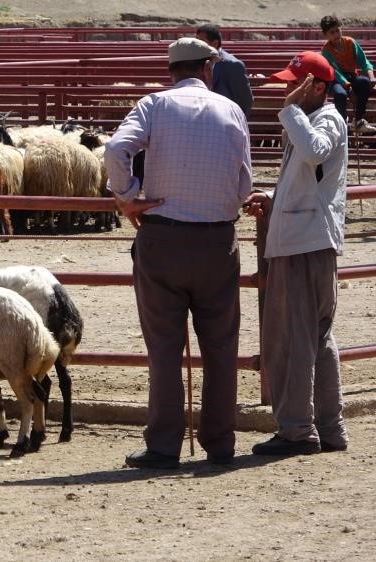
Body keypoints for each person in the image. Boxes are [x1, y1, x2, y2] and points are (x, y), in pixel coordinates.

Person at [104, 37, 253, 470]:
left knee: (165, 347)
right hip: (217, 242)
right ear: (207, 68)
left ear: (172, 70)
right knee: (221, 346)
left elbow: (116, 149)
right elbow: (244, 185)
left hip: (163, 238)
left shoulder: (153, 105)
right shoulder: (232, 110)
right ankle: (220, 444)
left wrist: (127, 195)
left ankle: (164, 445)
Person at [243, 52, 349, 456]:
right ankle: (327, 427)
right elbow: (309, 177)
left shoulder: (321, 119)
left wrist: (290, 111)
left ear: (316, 87)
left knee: (294, 337)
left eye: (295, 84)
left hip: (304, 243)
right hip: (309, 239)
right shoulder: (317, 119)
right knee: (316, 337)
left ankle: (297, 429)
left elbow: (315, 152)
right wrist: (273, 197)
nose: (287, 91)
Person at [319, 15, 376, 134]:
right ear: (326, 35)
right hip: (336, 80)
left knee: (364, 82)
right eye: (332, 32)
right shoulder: (326, 50)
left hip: (351, 76)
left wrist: (371, 77)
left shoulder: (350, 42)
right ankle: (342, 124)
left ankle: (358, 121)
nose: (336, 34)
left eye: (337, 30)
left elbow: (363, 61)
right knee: (340, 94)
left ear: (341, 29)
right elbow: (335, 72)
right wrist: (349, 88)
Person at [195, 24, 254, 118]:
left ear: (214, 43)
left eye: (201, 42)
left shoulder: (232, 65)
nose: (197, 46)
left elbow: (245, 100)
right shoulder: (196, 61)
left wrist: (237, 121)